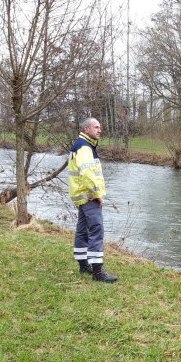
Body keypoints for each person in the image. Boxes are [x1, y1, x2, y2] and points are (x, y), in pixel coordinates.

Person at [68, 117, 118, 283]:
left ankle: (83, 265)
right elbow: (88, 174)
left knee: (82, 230)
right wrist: (96, 194)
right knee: (96, 229)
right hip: (89, 196)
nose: (100, 130)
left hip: (82, 196)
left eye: (100, 127)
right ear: (87, 129)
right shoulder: (84, 147)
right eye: (96, 127)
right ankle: (97, 272)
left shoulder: (83, 145)